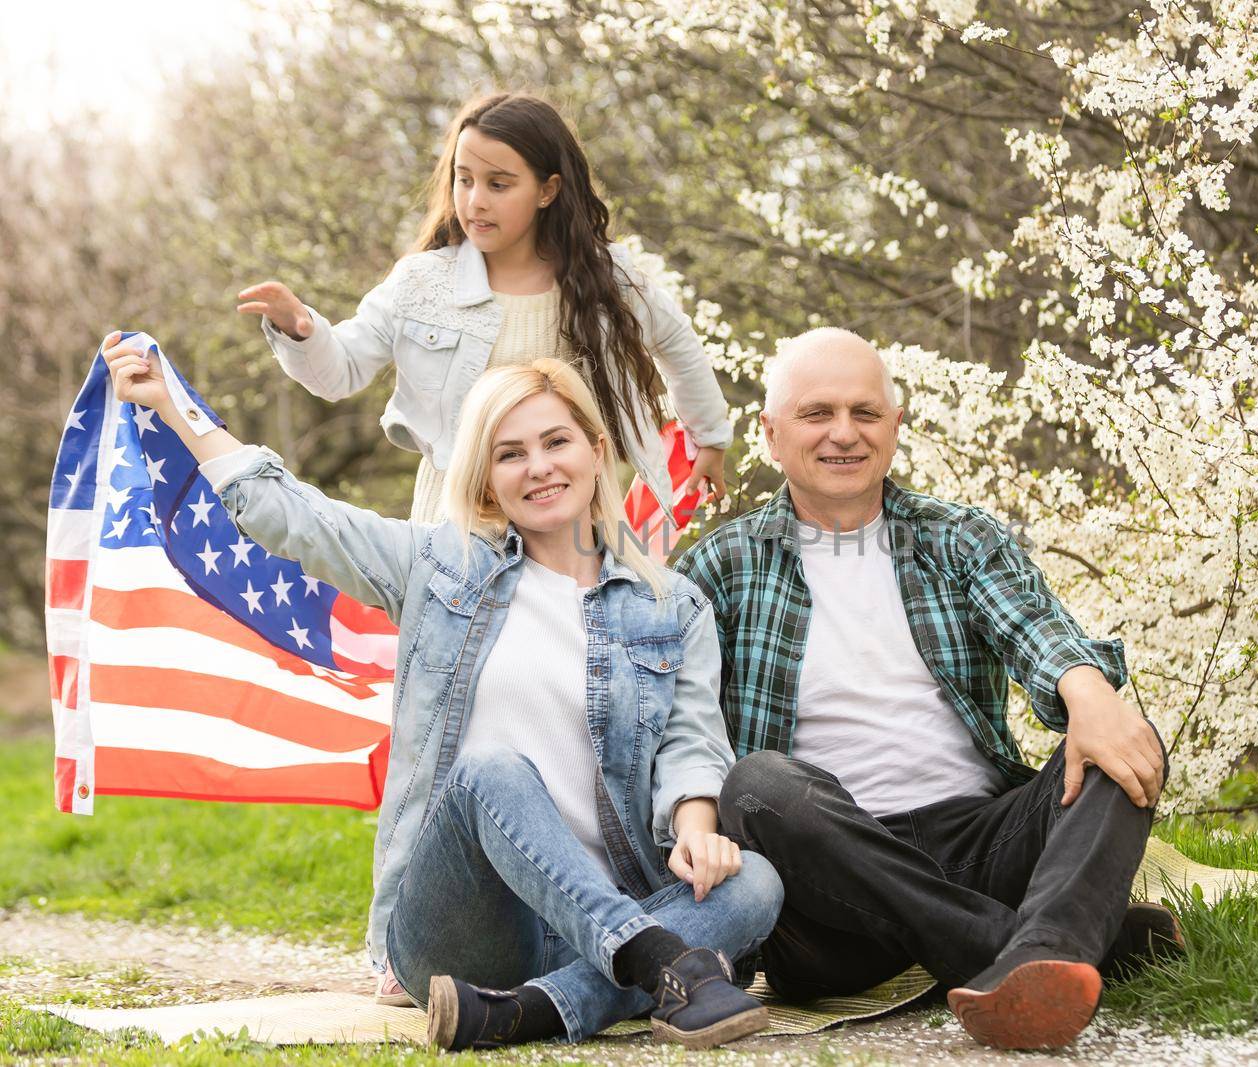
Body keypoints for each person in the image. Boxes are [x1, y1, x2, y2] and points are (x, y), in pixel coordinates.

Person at [102, 333, 782, 1051]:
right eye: (511, 452)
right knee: (492, 770)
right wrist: (174, 407)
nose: (540, 466)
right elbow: (295, 516)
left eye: (556, 441)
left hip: (602, 911)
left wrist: (699, 828)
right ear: (486, 477)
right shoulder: (438, 566)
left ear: (596, 447)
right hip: (463, 928)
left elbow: (692, 741)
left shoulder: (671, 605)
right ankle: (659, 961)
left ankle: (528, 1012)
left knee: (757, 881)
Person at [675, 328, 1180, 1050]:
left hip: (980, 841)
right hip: (828, 888)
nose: (843, 433)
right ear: (772, 433)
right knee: (755, 783)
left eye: (866, 413)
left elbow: (1034, 627)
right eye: (817, 414)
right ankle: (1031, 944)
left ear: (895, 427)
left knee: (1123, 741)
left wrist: (1090, 694)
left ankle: (1042, 949)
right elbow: (679, 720)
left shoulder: (958, 538)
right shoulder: (720, 566)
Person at [236, 91, 733, 525]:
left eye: (498, 184)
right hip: (458, 530)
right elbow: (339, 373)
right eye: (464, 178)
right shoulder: (423, 281)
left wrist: (709, 439)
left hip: (575, 528)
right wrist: (300, 330)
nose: (475, 201)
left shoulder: (608, 281)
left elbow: (676, 342)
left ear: (548, 190)